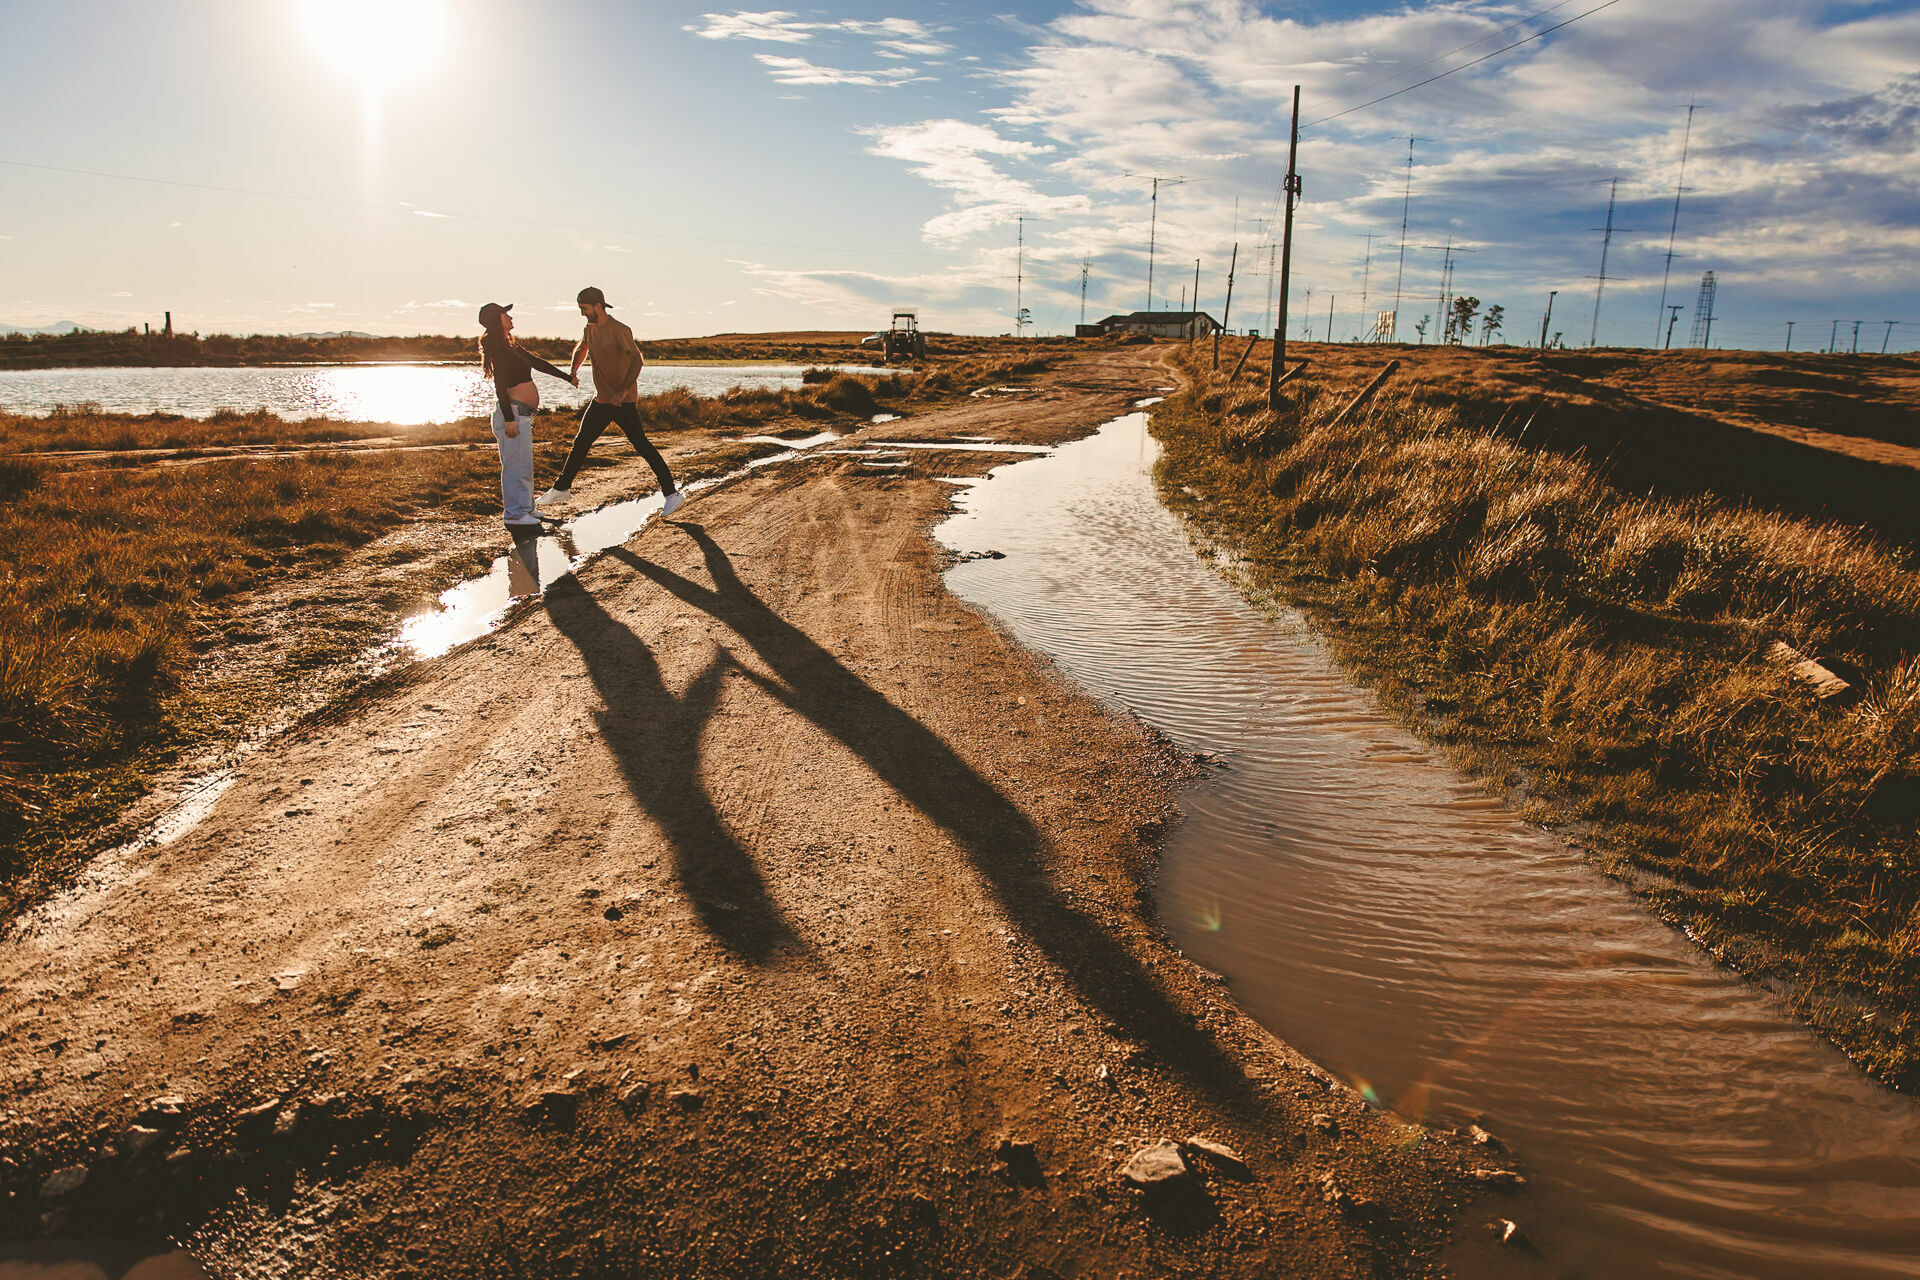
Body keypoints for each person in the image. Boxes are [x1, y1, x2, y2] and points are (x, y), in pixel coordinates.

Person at [538, 286, 684, 516]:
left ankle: (672, 494)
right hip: (602, 400)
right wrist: (573, 371)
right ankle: (562, 487)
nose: (582, 313)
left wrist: (623, 391)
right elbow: (583, 346)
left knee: (642, 446)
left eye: (584, 308)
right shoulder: (590, 328)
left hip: (622, 402)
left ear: (598, 306)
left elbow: (637, 361)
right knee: (581, 442)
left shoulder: (619, 330)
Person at [478, 302, 576, 536]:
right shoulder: (499, 349)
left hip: (520, 414)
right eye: (506, 314)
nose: (511, 318)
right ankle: (514, 514)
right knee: (514, 468)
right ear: (496, 320)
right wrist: (510, 418)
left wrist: (567, 377)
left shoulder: (511, 346)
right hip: (511, 415)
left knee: (524, 466)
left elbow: (538, 363)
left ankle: (525, 509)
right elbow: (500, 385)